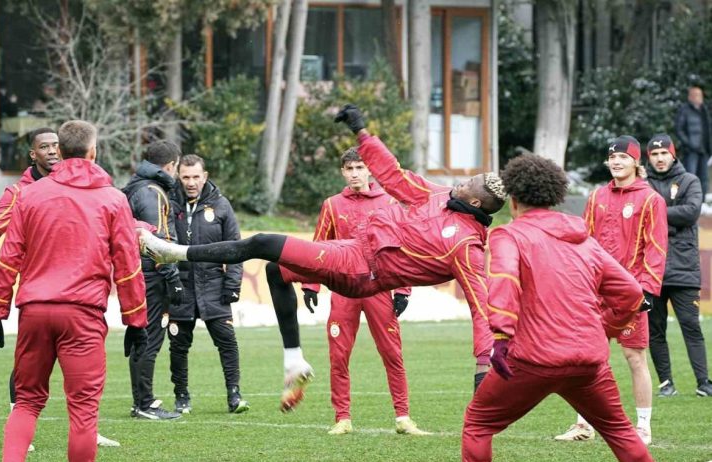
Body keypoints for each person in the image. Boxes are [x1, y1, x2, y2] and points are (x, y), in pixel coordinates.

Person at [139, 104, 506, 414]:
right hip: (352, 251)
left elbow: (481, 309)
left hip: (363, 272)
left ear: (475, 201)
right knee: (276, 271)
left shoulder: (467, 246)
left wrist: (482, 369)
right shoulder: (439, 195)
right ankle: (294, 361)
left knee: (263, 242)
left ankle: (173, 252)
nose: (460, 183)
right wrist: (362, 132)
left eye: (468, 184)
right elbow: (394, 175)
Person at [461, 154, 656, 462]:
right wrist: (606, 328)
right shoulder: (585, 240)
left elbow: (504, 281)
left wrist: (501, 338)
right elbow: (632, 293)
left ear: (513, 200)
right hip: (589, 362)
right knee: (621, 433)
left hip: (532, 360)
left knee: (478, 424)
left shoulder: (509, 235)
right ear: (554, 197)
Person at [0, 120, 149, 462]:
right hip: (83, 315)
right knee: (83, 410)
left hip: (35, 311)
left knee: (26, 401)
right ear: (92, 152)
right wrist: (136, 321)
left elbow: (10, 257)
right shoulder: (113, 199)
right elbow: (127, 265)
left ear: (61, 151)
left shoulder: (30, 195)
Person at [303, 147, 428, 436]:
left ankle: (403, 417)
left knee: (392, 353)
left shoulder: (389, 202)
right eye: (350, 169)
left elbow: (402, 246)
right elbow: (318, 247)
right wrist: (311, 284)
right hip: (344, 289)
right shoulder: (332, 205)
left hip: (378, 288)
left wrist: (403, 289)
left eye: (360, 167)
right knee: (338, 356)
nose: (355, 174)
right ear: (342, 172)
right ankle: (342, 418)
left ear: (369, 170)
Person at [555, 136, 668, 445]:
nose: (616, 162)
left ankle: (643, 428)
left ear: (636, 162)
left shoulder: (651, 199)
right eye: (612, 157)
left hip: (631, 293)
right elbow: (584, 240)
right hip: (595, 292)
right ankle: (583, 424)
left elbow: (656, 247)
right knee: (586, 357)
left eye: (623, 157)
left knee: (634, 357)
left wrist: (647, 290)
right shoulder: (597, 196)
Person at [167, 154, 249, 414]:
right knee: (178, 345)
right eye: (185, 177)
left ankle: (234, 394)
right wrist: (170, 281)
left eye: (196, 177)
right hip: (180, 286)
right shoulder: (169, 203)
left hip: (214, 285)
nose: (191, 182)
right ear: (178, 177)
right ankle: (181, 396)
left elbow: (236, 249)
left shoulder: (221, 205)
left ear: (205, 176)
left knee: (227, 341)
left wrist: (232, 285)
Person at [644, 133, 712, 397]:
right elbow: (639, 217)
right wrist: (672, 219)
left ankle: (703, 383)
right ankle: (666, 384)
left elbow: (691, 212)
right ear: (649, 157)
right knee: (655, 329)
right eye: (654, 154)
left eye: (664, 153)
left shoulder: (689, 180)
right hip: (651, 270)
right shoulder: (642, 184)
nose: (660, 158)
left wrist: (655, 215)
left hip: (684, 269)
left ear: (673, 155)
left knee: (691, 327)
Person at [122, 140, 184, 420]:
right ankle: (145, 403)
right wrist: (174, 279)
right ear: (171, 166)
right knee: (150, 337)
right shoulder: (152, 193)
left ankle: (141, 401)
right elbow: (156, 241)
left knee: (142, 336)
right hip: (152, 275)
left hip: (140, 273)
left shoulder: (139, 186)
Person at [675, 86, 711, 201]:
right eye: (695, 95)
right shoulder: (684, 110)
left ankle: (701, 201)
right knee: (690, 176)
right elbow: (679, 129)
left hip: (704, 149)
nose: (697, 97)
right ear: (689, 97)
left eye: (699, 95)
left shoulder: (704, 110)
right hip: (691, 150)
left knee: (704, 178)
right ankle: (689, 201)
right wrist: (689, 144)